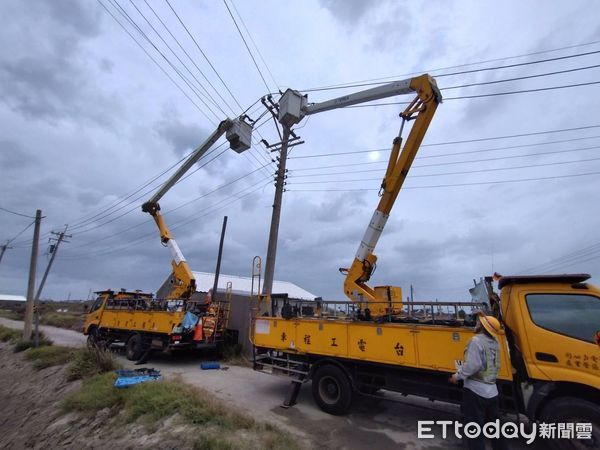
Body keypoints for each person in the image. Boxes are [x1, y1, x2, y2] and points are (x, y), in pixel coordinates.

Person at [449, 312, 506, 450]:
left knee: (474, 428)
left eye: (479, 323)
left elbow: (472, 366)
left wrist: (456, 377)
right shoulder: (495, 342)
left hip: (475, 391)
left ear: (483, 327)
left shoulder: (476, 341)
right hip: (492, 391)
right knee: (495, 428)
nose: (477, 324)